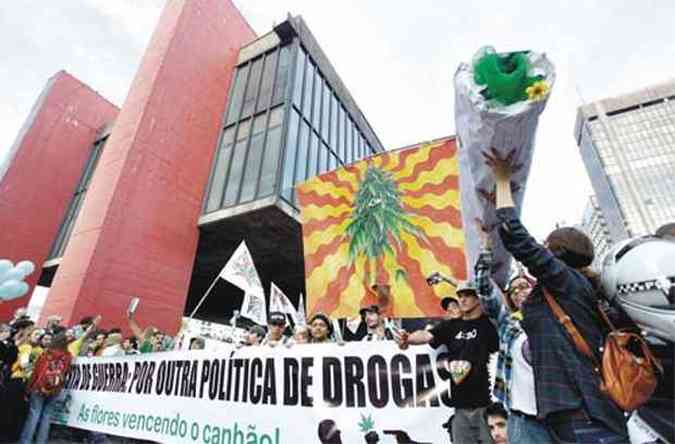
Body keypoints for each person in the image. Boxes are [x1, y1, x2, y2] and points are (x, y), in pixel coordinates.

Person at [487, 148, 629, 442]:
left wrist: (502, 181)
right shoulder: (564, 288)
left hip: (585, 415)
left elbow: (515, 236)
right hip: (570, 414)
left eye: (546, 244)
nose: (540, 246)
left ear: (558, 252)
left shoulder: (566, 280)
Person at [474, 221, 553, 443]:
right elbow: (483, 288)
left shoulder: (554, 320)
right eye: (514, 289)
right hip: (523, 420)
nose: (519, 292)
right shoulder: (508, 325)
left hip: (560, 414)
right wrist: (486, 249)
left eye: (524, 286)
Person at [398, 280, 498, 444]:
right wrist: (408, 338)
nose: (462, 299)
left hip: (486, 406)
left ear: (478, 298)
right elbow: (426, 335)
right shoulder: (451, 326)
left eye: (468, 295)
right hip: (459, 408)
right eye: (460, 296)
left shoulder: (489, 323)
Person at [20, 328, 73, 444]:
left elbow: (37, 372)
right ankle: (41, 441)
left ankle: (26, 441)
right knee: (47, 416)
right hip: (55, 389)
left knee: (34, 414)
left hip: (39, 388)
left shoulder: (46, 353)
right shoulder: (68, 356)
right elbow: (66, 373)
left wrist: (29, 388)